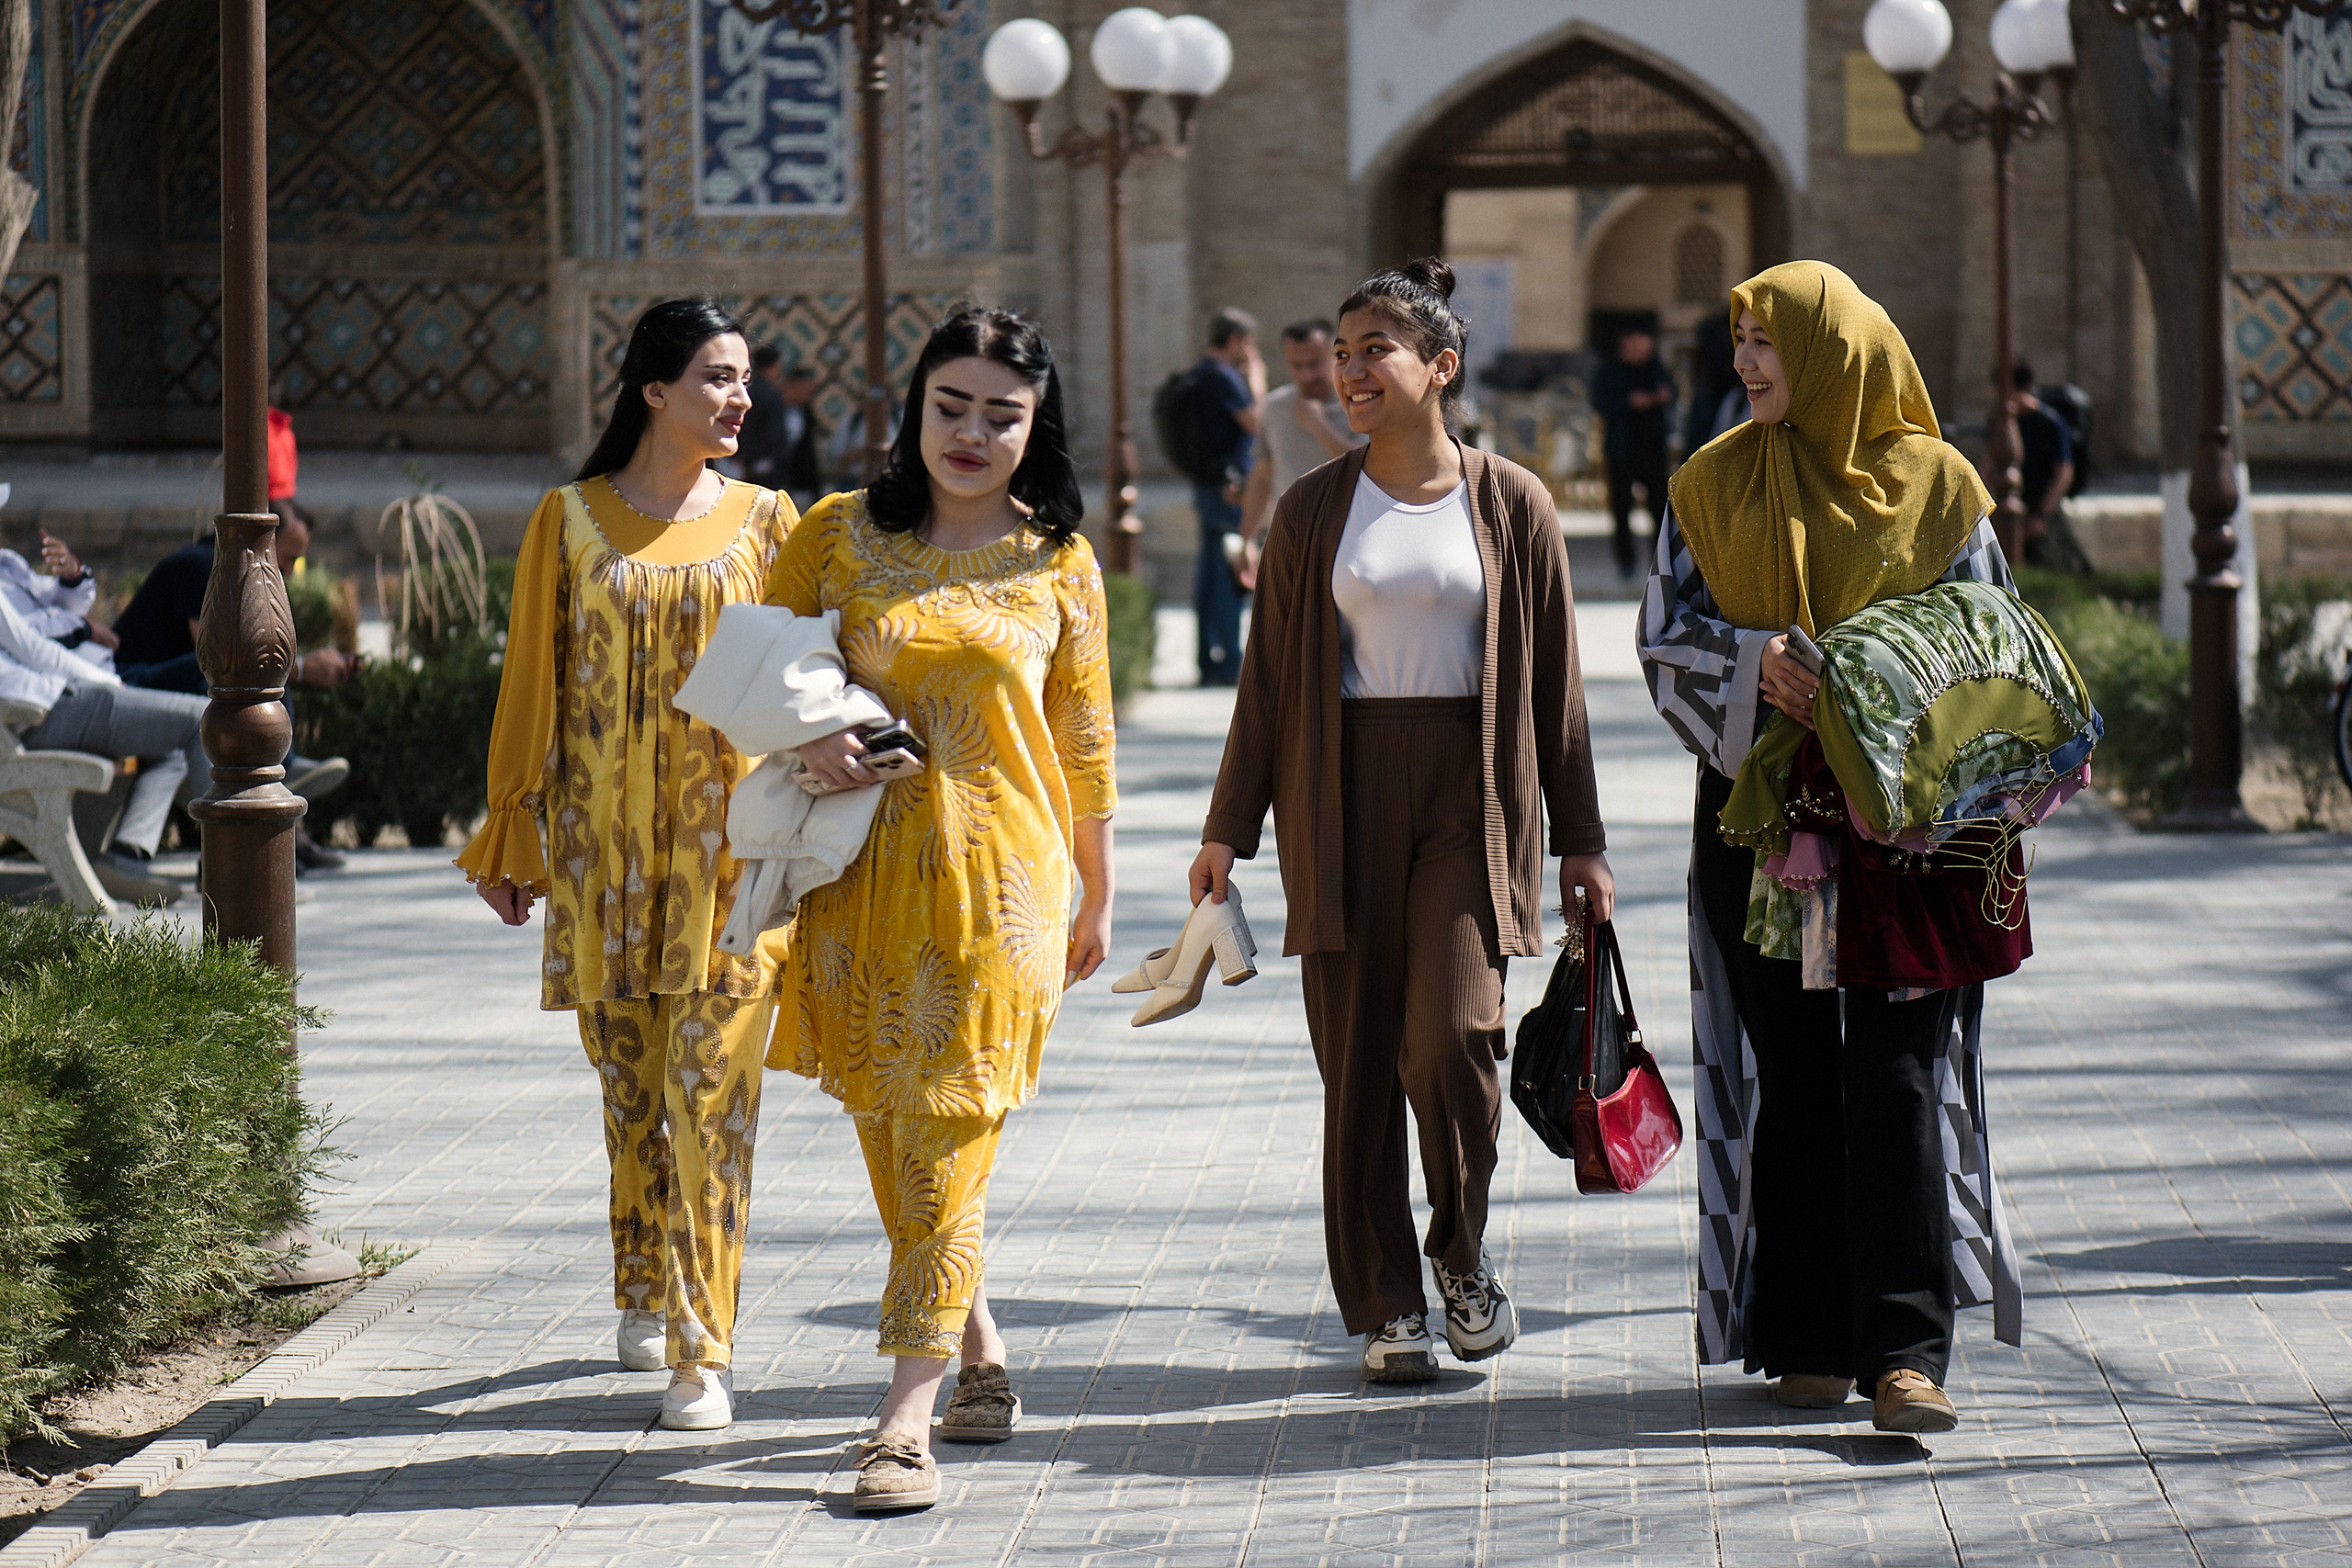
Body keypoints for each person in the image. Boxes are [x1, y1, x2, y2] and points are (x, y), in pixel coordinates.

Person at [1194, 259, 1611, 1386]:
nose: (1350, 369)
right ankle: (1387, 1303)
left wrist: (1583, 841)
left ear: (1440, 365)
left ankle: (1461, 1258)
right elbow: (1268, 681)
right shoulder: (1313, 508)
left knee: (1452, 1040)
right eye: (1342, 351)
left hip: (1470, 801)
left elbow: (1558, 687)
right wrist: (1226, 828)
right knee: (1359, 1063)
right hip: (1339, 796)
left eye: (1374, 347)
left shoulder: (1512, 502)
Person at [1637, 261, 2026, 1436]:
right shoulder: (1708, 487)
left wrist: (1868, 683)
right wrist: (1759, 666)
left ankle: (1905, 1355)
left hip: (1909, 832)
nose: (1747, 364)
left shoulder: (1941, 491)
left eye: (1769, 344)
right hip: (1759, 831)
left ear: (1835, 356)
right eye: (1741, 341)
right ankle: (1801, 1338)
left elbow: (1992, 647)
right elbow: (1665, 643)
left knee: (1898, 1077)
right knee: (1791, 1072)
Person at [765, 305, 1115, 1512]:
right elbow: (757, 671)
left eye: (1001, 414)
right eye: (950, 406)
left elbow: (1084, 737)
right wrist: (813, 735)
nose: (971, 433)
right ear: (914, 407)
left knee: (953, 1117)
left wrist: (1100, 886)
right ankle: (980, 1350)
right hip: (859, 878)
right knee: (891, 1118)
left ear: (1036, 424)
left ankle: (899, 1423)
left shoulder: (1060, 558)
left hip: (1007, 887)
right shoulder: (836, 537)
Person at [456, 299, 797, 1434]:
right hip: (604, 866)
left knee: (713, 1104)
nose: (739, 397)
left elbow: (809, 680)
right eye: (716, 377)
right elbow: (533, 682)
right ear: (654, 391)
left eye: (744, 378)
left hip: (735, 872)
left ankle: (703, 1352)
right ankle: (640, 1281)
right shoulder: (572, 520)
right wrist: (513, 828)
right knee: (636, 1100)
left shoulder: (769, 521)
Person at [110, 508, 355, 871]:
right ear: (266, 540)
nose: (288, 570)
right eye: (289, 558)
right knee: (253, 667)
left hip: (167, 685)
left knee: (267, 665)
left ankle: (283, 774)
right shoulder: (202, 567)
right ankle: (278, 770)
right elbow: (217, 662)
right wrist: (303, 668)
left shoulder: (225, 567)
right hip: (132, 681)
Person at [1, 560, 208, 907]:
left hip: (64, 694)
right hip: (43, 707)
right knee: (203, 720)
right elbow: (30, 645)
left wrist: (73, 580)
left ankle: (127, 856)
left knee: (172, 743)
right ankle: (234, 876)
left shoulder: (8, 563)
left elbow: (51, 611)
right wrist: (107, 680)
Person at [1237, 318, 1364, 588]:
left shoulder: (1362, 403)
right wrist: (1247, 539)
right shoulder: (1275, 408)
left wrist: (1318, 425)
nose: (1306, 375)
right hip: (1290, 547)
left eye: (1314, 365)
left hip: (1350, 548)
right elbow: (1262, 474)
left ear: (1336, 356)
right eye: (1297, 366)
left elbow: (1368, 467)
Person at [1183, 308, 1266, 686]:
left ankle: (1208, 659)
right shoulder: (1225, 378)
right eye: (1247, 344)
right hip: (1228, 491)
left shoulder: (1201, 374)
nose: (1249, 352)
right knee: (1227, 576)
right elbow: (1258, 424)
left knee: (1210, 575)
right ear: (1234, 341)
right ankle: (1228, 662)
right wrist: (1258, 380)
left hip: (1207, 484)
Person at [1590, 327, 1676, 581]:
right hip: (1622, 450)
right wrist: (1628, 402)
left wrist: (1662, 396)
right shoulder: (1609, 369)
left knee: (1660, 509)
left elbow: (1672, 391)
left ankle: (1662, 562)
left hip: (1653, 449)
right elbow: (1599, 402)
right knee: (1621, 508)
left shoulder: (1655, 366)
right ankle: (1626, 562)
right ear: (1626, 342)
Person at [2006, 359, 2074, 561]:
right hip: (2014, 509)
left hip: (2042, 510)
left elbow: (2063, 473)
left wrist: (2042, 516)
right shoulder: (2004, 421)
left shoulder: (2049, 424)